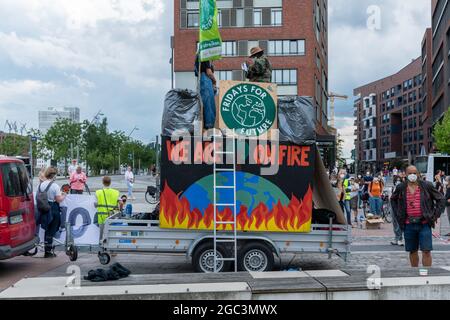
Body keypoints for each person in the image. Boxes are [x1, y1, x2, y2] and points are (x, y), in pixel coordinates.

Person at [391, 166, 445, 267]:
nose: (413, 175)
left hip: (424, 223)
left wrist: (435, 215)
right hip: (408, 224)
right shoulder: (401, 187)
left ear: (418, 174)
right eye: (410, 173)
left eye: (415, 173)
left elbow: (441, 199)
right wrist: (398, 213)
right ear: (405, 174)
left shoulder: (426, 186)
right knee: (412, 251)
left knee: (426, 250)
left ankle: (426, 274)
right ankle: (415, 273)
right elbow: (393, 199)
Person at [36, 167, 66, 258]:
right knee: (52, 229)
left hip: (43, 208)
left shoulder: (40, 185)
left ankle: (47, 249)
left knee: (46, 228)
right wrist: (64, 195)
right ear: (54, 175)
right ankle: (48, 251)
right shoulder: (55, 186)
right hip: (53, 208)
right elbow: (58, 199)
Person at [95, 176, 121, 243]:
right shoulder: (116, 192)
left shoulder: (98, 192)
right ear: (110, 182)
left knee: (100, 235)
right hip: (112, 216)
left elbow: (95, 204)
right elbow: (121, 203)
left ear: (102, 182)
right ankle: (111, 250)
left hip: (101, 217)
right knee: (111, 234)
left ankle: (100, 249)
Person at [195, 53, 217, 130]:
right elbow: (209, 72)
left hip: (201, 80)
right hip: (206, 79)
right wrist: (214, 81)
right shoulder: (205, 54)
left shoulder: (199, 55)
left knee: (204, 104)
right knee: (209, 104)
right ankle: (209, 126)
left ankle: (205, 126)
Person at [391, 177, 405, 246]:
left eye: (399, 180)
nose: (397, 182)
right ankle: (396, 238)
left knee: (399, 223)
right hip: (393, 206)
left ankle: (400, 238)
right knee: (394, 223)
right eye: (396, 180)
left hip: (400, 207)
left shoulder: (402, 188)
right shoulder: (393, 188)